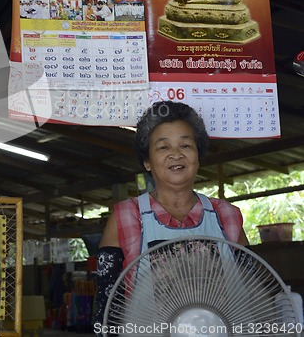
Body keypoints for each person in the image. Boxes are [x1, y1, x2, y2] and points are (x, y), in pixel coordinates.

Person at [93, 100, 248, 329]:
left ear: (198, 154)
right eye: (163, 147)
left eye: (185, 145)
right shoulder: (126, 216)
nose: (176, 154)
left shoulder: (226, 215)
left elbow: (253, 288)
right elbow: (107, 304)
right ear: (147, 161)